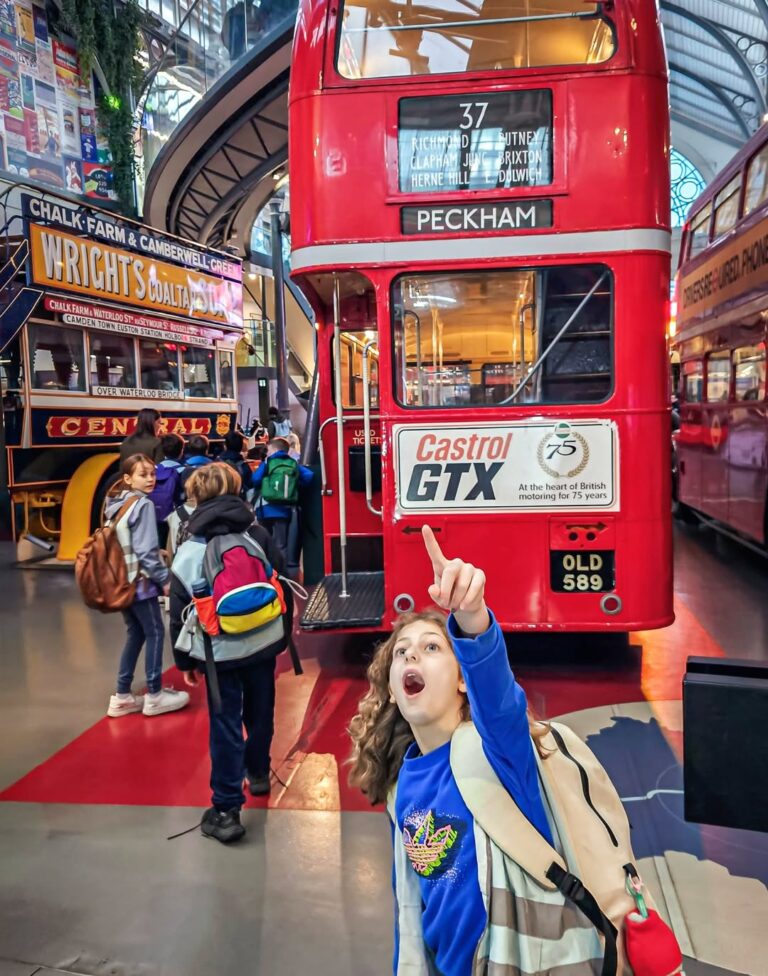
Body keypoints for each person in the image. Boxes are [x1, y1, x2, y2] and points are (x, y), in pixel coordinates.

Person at [348, 526, 560, 976]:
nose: (411, 658)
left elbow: (500, 700)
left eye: (430, 648)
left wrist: (471, 618)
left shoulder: (498, 753)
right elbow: (410, 905)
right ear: (391, 690)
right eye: (401, 653)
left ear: (463, 679)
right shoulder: (399, 787)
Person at [168, 463, 292, 843]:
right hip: (262, 643)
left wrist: (186, 661)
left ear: (197, 495)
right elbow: (282, 576)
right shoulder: (255, 532)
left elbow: (178, 607)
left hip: (218, 651)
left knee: (225, 725)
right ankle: (258, 773)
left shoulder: (191, 545)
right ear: (236, 488)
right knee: (261, 712)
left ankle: (225, 809)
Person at [104, 454, 190, 719]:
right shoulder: (143, 505)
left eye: (152, 474)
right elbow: (145, 551)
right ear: (128, 478)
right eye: (143, 475)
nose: (151, 479)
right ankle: (154, 694)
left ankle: (122, 695)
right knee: (154, 632)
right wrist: (164, 580)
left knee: (136, 633)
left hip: (121, 581)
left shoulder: (118, 503)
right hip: (141, 582)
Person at [252, 437, 313, 569]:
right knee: (281, 544)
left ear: (273, 449)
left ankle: (267, 571)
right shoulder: (292, 463)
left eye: (267, 450)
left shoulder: (269, 462)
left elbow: (255, 480)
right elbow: (309, 477)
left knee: (263, 541)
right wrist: (295, 485)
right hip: (284, 510)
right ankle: (281, 572)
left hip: (265, 508)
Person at [150, 433, 187, 547]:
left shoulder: (153, 469)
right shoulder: (183, 471)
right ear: (181, 451)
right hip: (175, 515)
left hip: (155, 513)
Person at [219, 429, 253, 499]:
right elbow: (250, 485)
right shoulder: (244, 466)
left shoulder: (215, 463)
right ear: (241, 447)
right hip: (237, 500)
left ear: (225, 446)